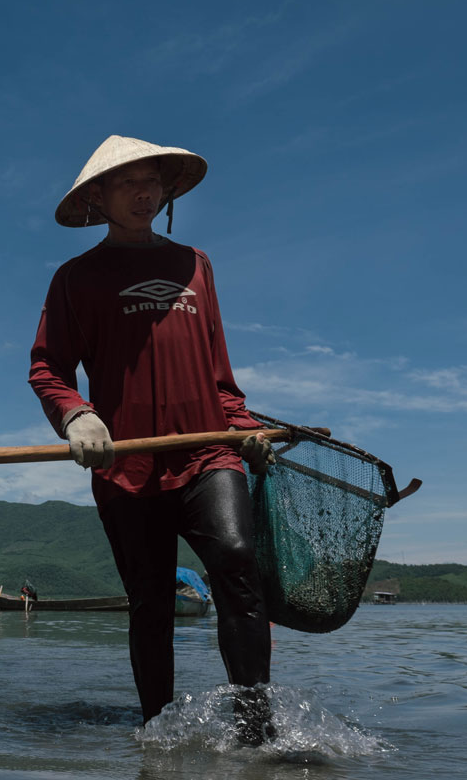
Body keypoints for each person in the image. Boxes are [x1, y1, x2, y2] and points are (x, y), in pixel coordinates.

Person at [28, 135, 277, 745]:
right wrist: (75, 417)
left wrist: (242, 426)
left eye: (153, 181)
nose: (143, 192)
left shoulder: (196, 264)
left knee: (238, 563)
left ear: (167, 192)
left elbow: (219, 370)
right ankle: (158, 734)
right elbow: (49, 370)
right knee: (151, 601)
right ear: (99, 196)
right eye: (126, 182)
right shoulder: (76, 279)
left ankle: (257, 731)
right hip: (127, 464)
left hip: (208, 451)